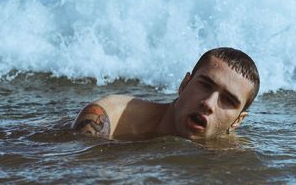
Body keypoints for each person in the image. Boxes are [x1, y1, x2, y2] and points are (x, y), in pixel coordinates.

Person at [65, 47, 260, 140]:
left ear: (237, 122)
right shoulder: (109, 117)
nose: (209, 103)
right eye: (205, 85)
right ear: (185, 84)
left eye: (228, 100)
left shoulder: (233, 155)